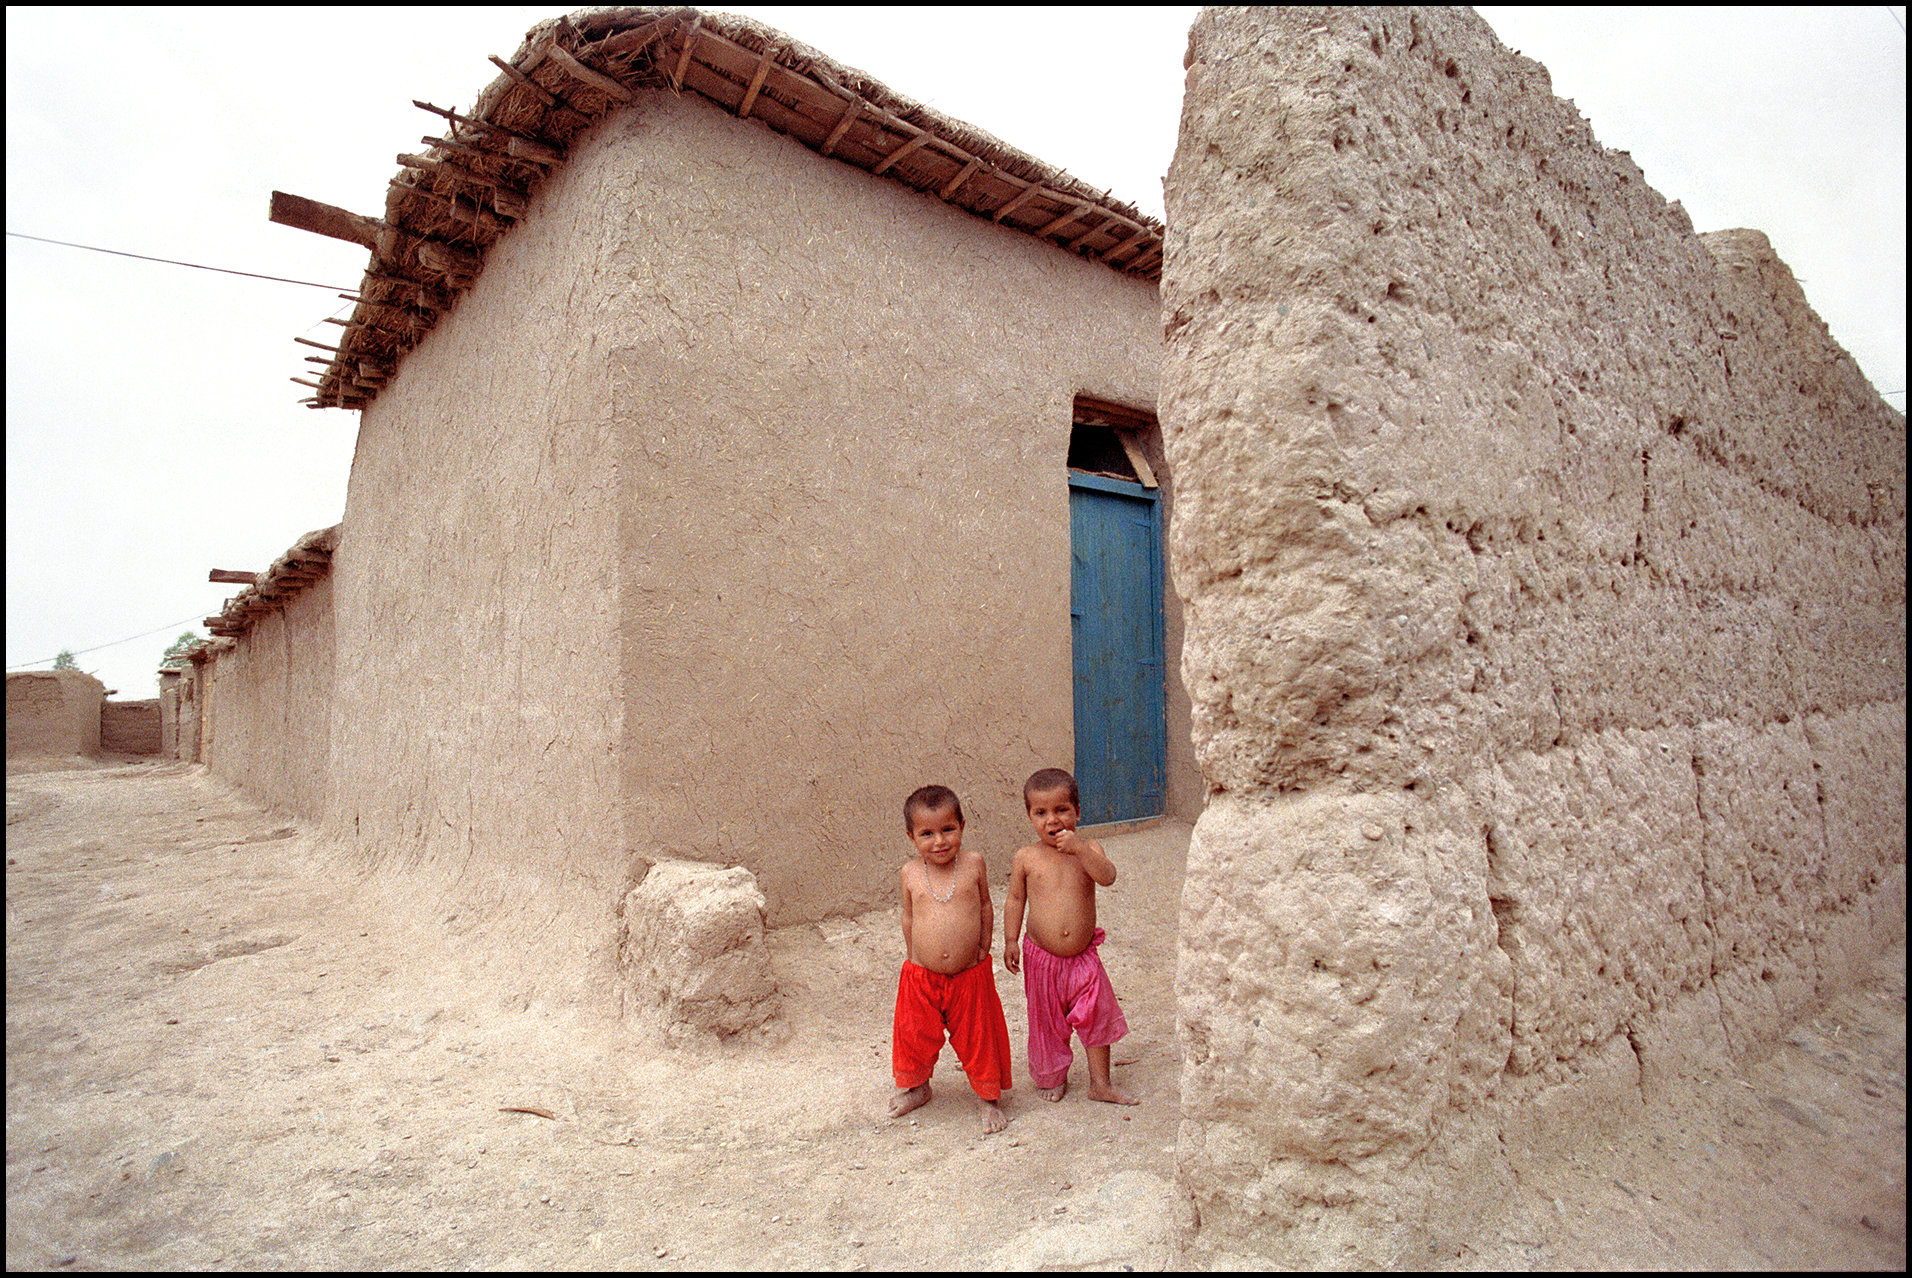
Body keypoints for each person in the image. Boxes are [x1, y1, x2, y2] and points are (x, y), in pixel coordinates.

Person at [1002, 768, 1138, 1104]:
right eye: (1041, 812)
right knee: (1046, 1022)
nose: (1052, 820)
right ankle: (1052, 1077)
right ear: (1030, 817)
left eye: (1061, 809)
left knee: (1097, 1014)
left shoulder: (1088, 848)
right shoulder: (1026, 857)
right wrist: (1010, 940)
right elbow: (1015, 899)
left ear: (1077, 810)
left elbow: (1107, 877)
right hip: (1041, 958)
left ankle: (1100, 1083)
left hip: (1083, 957)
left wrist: (1079, 849)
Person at [888, 784, 1014, 1133]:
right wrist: (913, 955)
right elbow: (909, 917)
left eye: (948, 829)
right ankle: (917, 1088)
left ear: (962, 826)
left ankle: (987, 1097)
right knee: (914, 1034)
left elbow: (985, 905)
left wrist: (984, 946)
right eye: (927, 834)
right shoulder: (910, 872)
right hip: (922, 975)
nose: (940, 841)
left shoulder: (973, 864)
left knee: (979, 1036)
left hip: (969, 975)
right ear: (911, 837)